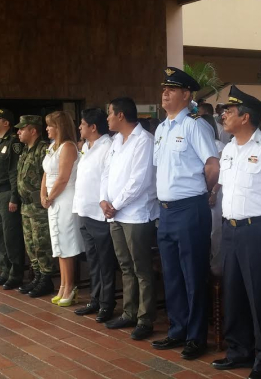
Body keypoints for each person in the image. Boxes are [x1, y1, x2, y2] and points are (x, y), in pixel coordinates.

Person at [211, 86, 261, 378]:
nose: (224, 115)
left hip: (258, 230)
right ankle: (238, 350)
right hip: (230, 229)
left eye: (229, 111)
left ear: (245, 117)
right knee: (233, 293)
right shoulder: (229, 148)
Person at [150, 67, 219, 360]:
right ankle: (177, 329)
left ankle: (196, 336)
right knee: (172, 274)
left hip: (190, 207)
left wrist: (205, 193)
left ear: (186, 95)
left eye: (172, 89)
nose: (165, 93)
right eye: (164, 88)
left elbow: (212, 165)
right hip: (166, 210)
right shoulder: (162, 128)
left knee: (193, 274)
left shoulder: (195, 125)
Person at [100, 97, 159, 340]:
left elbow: (140, 181)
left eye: (110, 113)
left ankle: (145, 319)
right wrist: (104, 200)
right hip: (115, 214)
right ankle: (129, 312)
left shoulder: (143, 141)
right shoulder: (115, 141)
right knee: (125, 266)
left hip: (135, 214)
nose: (107, 119)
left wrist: (115, 204)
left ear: (121, 115)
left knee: (141, 268)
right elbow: (106, 173)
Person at [72, 108, 117, 322]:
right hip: (85, 210)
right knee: (92, 260)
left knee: (105, 261)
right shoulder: (87, 147)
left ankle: (107, 303)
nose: (79, 127)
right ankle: (95, 298)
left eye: (82, 124)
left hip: (99, 214)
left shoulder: (107, 146)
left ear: (93, 127)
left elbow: (107, 179)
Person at [42, 111, 85, 305]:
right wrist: (43, 194)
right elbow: (46, 173)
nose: (47, 129)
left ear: (59, 127)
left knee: (66, 244)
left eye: (50, 125)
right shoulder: (52, 147)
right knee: (58, 244)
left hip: (64, 197)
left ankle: (70, 286)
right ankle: (63, 284)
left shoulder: (68, 147)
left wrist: (50, 196)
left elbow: (63, 177)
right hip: (53, 198)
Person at [16, 115, 54, 297]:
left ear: (33, 130)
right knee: (30, 245)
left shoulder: (43, 149)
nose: (18, 132)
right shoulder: (25, 150)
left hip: (38, 206)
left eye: (22, 129)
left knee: (41, 244)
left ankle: (46, 279)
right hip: (26, 206)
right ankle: (37, 276)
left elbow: (48, 176)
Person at [0, 109, 25, 290]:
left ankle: (15, 273)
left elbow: (14, 172)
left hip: (8, 193)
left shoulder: (14, 143)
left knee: (11, 235)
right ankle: (4, 270)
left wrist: (14, 197)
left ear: (7, 123)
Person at [200, 114, 226, 276]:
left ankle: (216, 266)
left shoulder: (219, 145)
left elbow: (221, 172)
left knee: (215, 231)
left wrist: (213, 191)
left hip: (214, 192)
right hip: (198, 192)